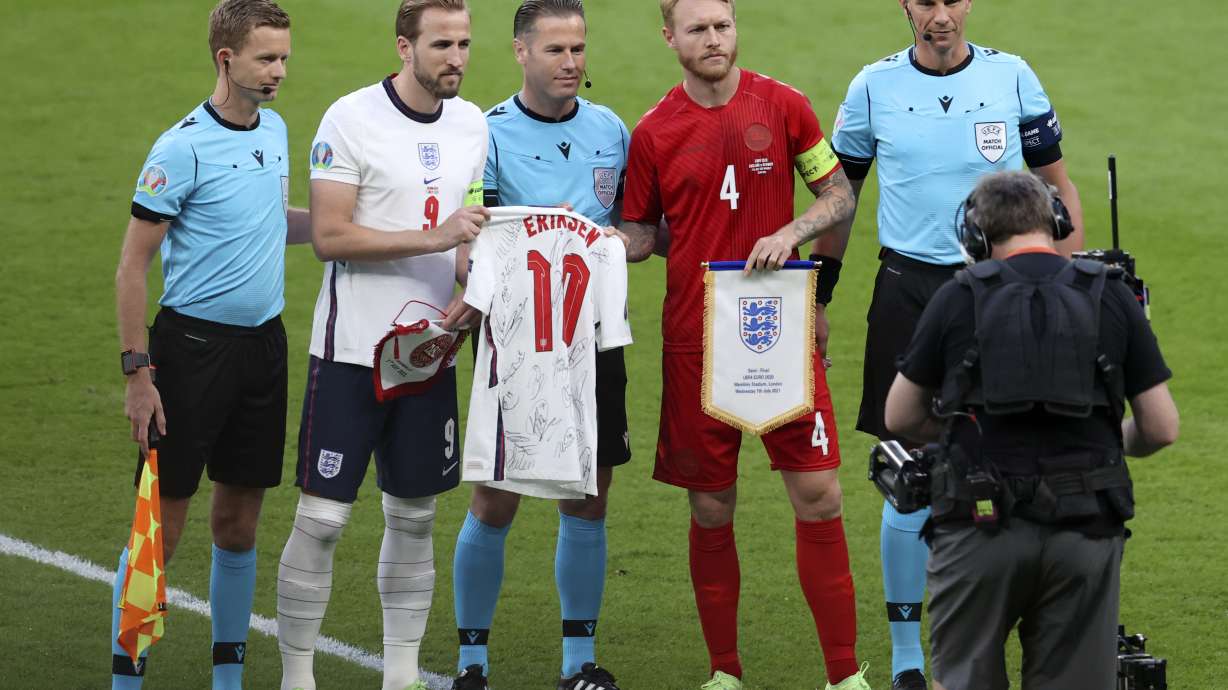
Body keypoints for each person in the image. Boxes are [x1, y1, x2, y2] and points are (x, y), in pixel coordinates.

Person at [825, 2, 1085, 687]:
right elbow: (839, 199)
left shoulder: (1013, 77)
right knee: (909, 473)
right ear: (905, 6)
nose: (939, 15)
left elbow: (1058, 190)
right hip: (909, 290)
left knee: (1018, 457)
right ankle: (910, 661)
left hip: (1003, 288)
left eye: (950, 0)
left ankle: (1007, 637)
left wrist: (1075, 292)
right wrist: (817, 299)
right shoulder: (872, 87)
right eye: (925, 2)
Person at [615, 1, 870, 688]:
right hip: (694, 341)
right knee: (711, 505)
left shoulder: (785, 106)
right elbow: (640, 231)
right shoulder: (653, 132)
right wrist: (607, 243)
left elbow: (838, 194)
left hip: (777, 330)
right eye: (697, 29)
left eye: (722, 25)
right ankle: (725, 673)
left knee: (819, 495)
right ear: (670, 38)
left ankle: (844, 677)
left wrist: (793, 233)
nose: (713, 39)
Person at [884, 170, 1178, 690]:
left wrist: (952, 427)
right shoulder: (1111, 296)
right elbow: (1160, 427)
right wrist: (1114, 439)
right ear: (1057, 223)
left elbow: (900, 417)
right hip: (1085, 531)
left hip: (979, 529)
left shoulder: (957, 296)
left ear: (977, 236)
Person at [272, 2, 489, 689]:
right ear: (404, 46)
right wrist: (437, 238)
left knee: (416, 515)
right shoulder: (350, 119)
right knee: (324, 518)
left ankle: (400, 675)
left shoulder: (473, 123)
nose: (455, 56)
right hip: (351, 355)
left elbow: (468, 234)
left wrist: (472, 286)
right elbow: (331, 238)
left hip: (429, 355)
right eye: (441, 44)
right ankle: (297, 676)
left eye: (463, 43)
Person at [111, 1, 309, 688]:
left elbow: (268, 220)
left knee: (239, 524)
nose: (280, 70)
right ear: (226, 60)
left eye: (284, 56)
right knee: (160, 529)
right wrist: (139, 373)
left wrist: (348, 224)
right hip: (190, 353)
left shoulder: (276, 129)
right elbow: (133, 264)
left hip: (262, 351)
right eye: (267, 58)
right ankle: (126, 678)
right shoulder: (180, 147)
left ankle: (227, 680)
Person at [446, 3, 629, 690]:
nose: (571, 62)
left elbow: (641, 231)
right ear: (521, 52)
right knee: (497, 499)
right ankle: (471, 663)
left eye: (578, 48)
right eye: (555, 49)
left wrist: (622, 243)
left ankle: (579, 665)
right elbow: (469, 242)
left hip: (594, 336)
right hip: (517, 339)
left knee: (588, 496)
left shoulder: (611, 131)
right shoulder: (486, 135)